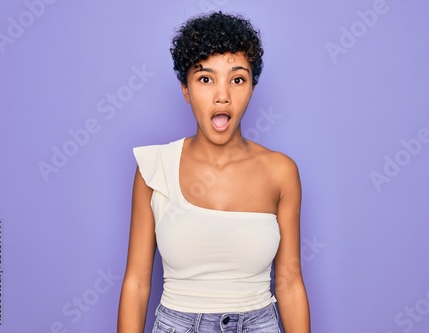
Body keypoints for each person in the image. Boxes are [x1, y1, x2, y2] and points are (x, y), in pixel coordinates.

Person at [118, 11, 310, 333]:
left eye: (237, 79)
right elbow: (136, 283)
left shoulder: (281, 172)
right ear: (186, 90)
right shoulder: (155, 169)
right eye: (205, 79)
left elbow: (289, 282)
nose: (222, 96)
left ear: (252, 87)